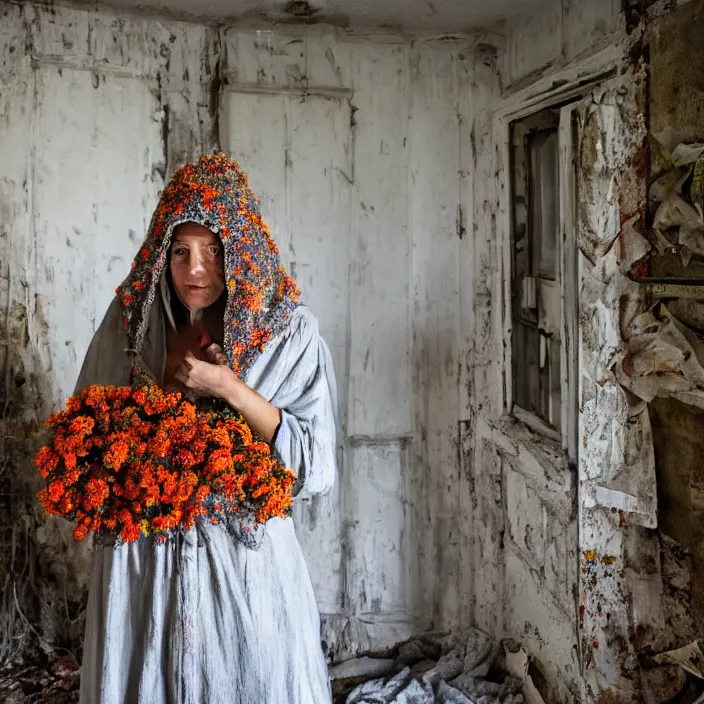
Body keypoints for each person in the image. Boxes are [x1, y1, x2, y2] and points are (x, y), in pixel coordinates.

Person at [75, 153, 337, 704]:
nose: (196, 270)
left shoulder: (286, 334)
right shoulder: (133, 323)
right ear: (160, 255)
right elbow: (85, 431)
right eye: (181, 253)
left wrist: (228, 388)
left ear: (240, 250)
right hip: (145, 568)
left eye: (214, 252)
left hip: (243, 570)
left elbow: (313, 466)